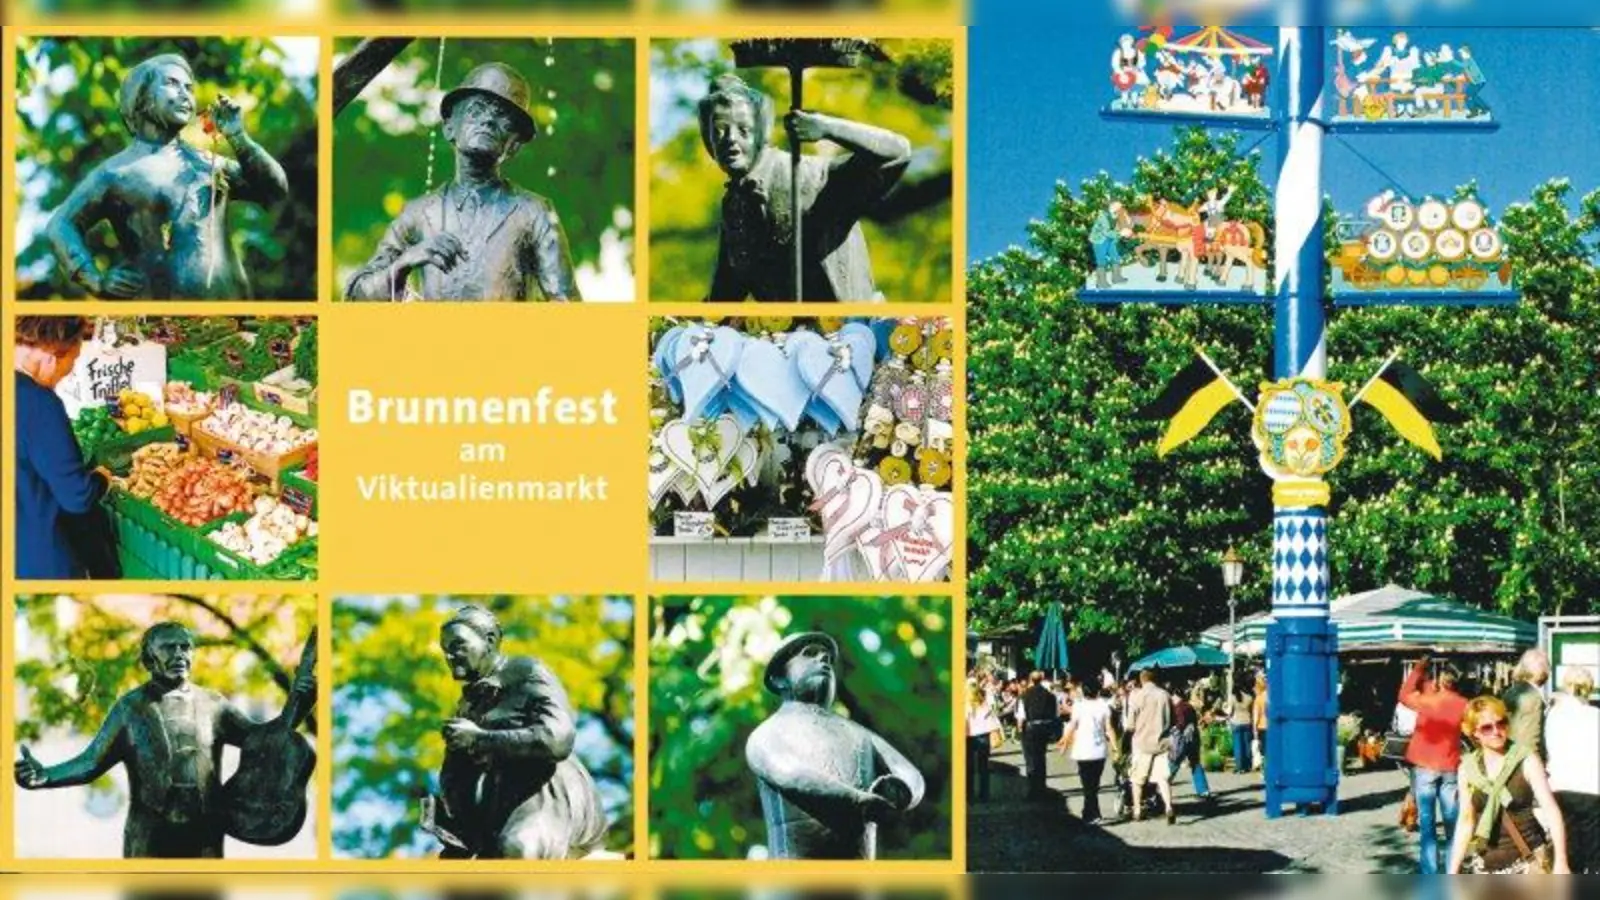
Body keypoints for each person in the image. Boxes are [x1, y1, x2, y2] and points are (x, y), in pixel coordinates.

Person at [14, 622, 314, 858]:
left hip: (205, 836)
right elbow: (91, 762)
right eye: (169, 648)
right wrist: (46, 775)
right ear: (149, 659)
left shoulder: (214, 704)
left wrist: (298, 705)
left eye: (185, 647)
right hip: (150, 838)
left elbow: (263, 742)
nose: (179, 655)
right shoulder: (130, 708)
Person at [47, 53, 288, 299]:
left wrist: (238, 137)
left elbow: (274, 190)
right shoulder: (116, 173)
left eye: (189, 88)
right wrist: (94, 280)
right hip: (158, 310)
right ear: (141, 97)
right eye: (172, 84)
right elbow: (60, 225)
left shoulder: (209, 163)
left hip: (233, 305)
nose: (185, 94)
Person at [345, 63, 580, 302]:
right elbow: (357, 294)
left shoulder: (534, 211)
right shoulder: (417, 213)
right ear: (449, 127)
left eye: (504, 118)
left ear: (514, 145)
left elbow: (566, 303)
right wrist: (404, 263)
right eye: (477, 110)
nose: (488, 120)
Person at [698, 73, 912, 302]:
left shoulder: (811, 177)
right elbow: (728, 289)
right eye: (719, 130)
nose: (730, 139)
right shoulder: (734, 204)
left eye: (744, 130)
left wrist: (826, 127)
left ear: (762, 134)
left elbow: (897, 153)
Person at [424, 605, 607, 858]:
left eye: (458, 645)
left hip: (548, 791)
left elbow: (558, 740)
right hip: (499, 806)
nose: (450, 655)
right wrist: (452, 818)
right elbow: (456, 775)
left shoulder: (526, 672)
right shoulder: (467, 706)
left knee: (516, 849)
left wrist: (480, 739)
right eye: (446, 649)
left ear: (489, 641)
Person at [747, 631, 924, 859]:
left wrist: (902, 792)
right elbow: (789, 773)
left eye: (828, 658)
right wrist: (856, 801)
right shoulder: (768, 733)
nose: (823, 659)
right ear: (780, 678)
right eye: (809, 653)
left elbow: (909, 773)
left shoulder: (860, 734)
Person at [15, 316, 117, 579]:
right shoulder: (38, 403)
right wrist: (101, 479)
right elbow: (77, 497)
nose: (67, 375)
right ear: (51, 357)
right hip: (40, 555)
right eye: (72, 362)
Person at [1447, 696, 1571, 873]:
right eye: (1487, 727)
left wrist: (1561, 861)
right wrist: (1453, 869)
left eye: (1501, 723)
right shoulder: (1468, 769)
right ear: (1474, 732)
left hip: (1529, 861)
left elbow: (1551, 810)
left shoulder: (1526, 760)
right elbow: (1466, 821)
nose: (1496, 731)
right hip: (1485, 863)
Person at [1399, 656, 1468, 874]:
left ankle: (1429, 873)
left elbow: (1404, 694)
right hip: (1450, 766)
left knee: (1428, 826)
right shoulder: (1464, 704)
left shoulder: (1428, 700)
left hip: (1424, 766)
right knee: (1452, 825)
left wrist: (1419, 668)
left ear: (1442, 679)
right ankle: (1451, 871)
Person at [1545, 666, 1599, 873]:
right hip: (1592, 787)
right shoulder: (1595, 715)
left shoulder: (1553, 715)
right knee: (1593, 852)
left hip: (1561, 785)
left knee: (1568, 849)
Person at [1057, 683, 1116, 823]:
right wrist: (1114, 747)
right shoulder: (1104, 706)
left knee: (1087, 783)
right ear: (1098, 691)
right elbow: (1109, 728)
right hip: (1099, 749)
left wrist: (1064, 742)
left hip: (1082, 750)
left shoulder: (1078, 706)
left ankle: (1091, 813)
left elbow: (1072, 726)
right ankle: (1091, 813)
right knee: (1094, 783)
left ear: (1083, 692)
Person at [1127, 669, 1176, 824]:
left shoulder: (1137, 696)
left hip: (1142, 743)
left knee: (1137, 779)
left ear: (1141, 680)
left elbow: (1130, 724)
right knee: (1162, 778)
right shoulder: (1165, 695)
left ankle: (1137, 810)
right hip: (1162, 743)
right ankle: (1168, 806)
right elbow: (1173, 720)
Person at [1501, 648, 1550, 759]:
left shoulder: (1511, 691)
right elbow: (1531, 736)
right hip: (1525, 759)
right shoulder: (1533, 698)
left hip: (1510, 755)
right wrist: (1535, 761)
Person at [1019, 671, 1060, 801]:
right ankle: (1042, 788)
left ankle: (1033, 789)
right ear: (1041, 679)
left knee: (1030, 760)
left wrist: (1020, 731)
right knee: (1041, 758)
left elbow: (1021, 716)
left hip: (1031, 729)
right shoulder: (1050, 696)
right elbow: (1056, 714)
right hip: (1045, 728)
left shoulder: (1025, 695)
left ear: (1031, 680)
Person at [1168, 692, 1212, 802]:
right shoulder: (1189, 706)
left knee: (1173, 764)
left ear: (1175, 696)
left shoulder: (1178, 708)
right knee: (1195, 763)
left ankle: (1161, 787)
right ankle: (1203, 790)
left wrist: (1172, 730)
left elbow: (1180, 723)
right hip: (1194, 739)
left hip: (1181, 740)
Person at [966, 677, 1002, 803]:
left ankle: (969, 794)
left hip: (968, 738)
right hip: (984, 737)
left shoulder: (963, 703)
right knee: (983, 766)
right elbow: (992, 720)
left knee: (968, 767)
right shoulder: (984, 702)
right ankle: (984, 794)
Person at [1228, 677, 1255, 774]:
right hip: (1247, 721)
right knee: (1247, 745)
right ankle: (1247, 765)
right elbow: (1251, 711)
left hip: (1236, 722)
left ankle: (1239, 767)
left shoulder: (1233, 697)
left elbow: (1230, 712)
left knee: (1238, 746)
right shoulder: (1249, 697)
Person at [1252, 673, 1269, 771]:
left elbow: (1256, 716)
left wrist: (1254, 730)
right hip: (1271, 726)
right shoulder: (1270, 697)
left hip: (1262, 726)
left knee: (1264, 750)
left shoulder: (1259, 698)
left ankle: (1265, 768)